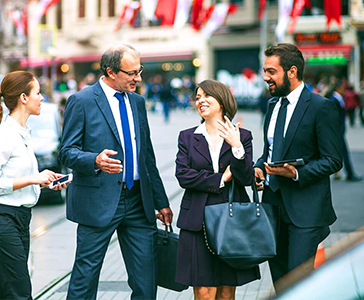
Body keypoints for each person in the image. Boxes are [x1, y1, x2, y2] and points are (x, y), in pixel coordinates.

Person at [58, 44, 173, 300]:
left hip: (137, 202)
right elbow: (66, 152)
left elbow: (147, 158)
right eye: (131, 73)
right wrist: (94, 160)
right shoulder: (82, 100)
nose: (138, 78)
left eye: (139, 71)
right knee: (85, 279)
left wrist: (161, 201)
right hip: (97, 202)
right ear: (110, 71)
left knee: (146, 281)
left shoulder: (138, 102)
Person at [254, 43, 343, 293]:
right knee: (281, 282)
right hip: (273, 206)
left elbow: (334, 159)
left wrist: (295, 173)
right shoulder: (272, 106)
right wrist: (259, 168)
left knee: (300, 283)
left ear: (291, 71)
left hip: (306, 210)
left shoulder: (320, 107)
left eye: (271, 71)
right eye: (265, 71)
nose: (265, 77)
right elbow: (268, 153)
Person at [0, 71, 67, 299]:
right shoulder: (3, 136)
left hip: (19, 218)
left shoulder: (23, 135)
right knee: (19, 290)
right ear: (23, 98)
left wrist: (44, 182)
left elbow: (18, 178)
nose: (42, 98)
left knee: (3, 287)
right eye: (38, 93)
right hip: (0, 220)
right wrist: (32, 179)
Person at [175, 79, 260, 300]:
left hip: (231, 220)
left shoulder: (243, 135)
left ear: (221, 100)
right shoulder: (187, 136)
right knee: (203, 292)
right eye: (197, 97)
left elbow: (246, 178)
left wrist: (237, 147)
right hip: (197, 221)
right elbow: (183, 176)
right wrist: (220, 179)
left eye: (206, 96)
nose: (200, 101)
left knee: (225, 292)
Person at [328, 80, 363, 181]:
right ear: (338, 88)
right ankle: (349, 173)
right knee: (343, 153)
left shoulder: (339, 99)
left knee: (337, 153)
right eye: (343, 88)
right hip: (337, 132)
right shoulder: (334, 99)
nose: (344, 90)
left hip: (339, 131)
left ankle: (338, 172)